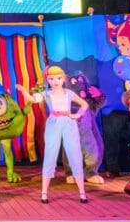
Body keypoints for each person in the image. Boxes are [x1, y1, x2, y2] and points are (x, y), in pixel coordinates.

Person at [17, 66, 90, 204]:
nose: (55, 81)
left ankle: (82, 193)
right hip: (54, 123)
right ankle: (44, 193)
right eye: (51, 79)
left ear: (63, 79)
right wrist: (24, 92)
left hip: (68, 123)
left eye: (59, 78)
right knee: (50, 154)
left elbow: (84, 104)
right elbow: (33, 99)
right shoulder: (46, 93)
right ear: (48, 80)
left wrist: (77, 115)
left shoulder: (69, 93)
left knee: (75, 153)